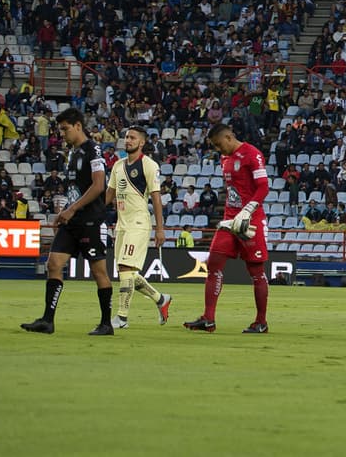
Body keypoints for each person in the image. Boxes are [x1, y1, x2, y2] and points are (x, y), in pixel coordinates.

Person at [21, 108, 114, 336]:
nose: (62, 134)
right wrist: (63, 212)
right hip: (72, 220)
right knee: (53, 264)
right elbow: (75, 189)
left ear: (78, 126)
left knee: (99, 272)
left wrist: (71, 209)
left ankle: (106, 324)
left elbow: (98, 185)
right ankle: (47, 320)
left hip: (90, 220)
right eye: (60, 129)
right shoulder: (73, 153)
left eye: (65, 129)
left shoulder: (93, 149)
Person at [183, 124, 271, 334]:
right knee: (213, 264)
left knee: (256, 271)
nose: (218, 150)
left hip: (251, 221)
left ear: (229, 137)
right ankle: (208, 319)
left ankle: (261, 322)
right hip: (229, 221)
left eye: (219, 144)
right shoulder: (224, 159)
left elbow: (263, 186)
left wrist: (248, 210)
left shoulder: (252, 154)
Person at [104, 127, 172, 329]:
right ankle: (161, 299)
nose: (128, 140)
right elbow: (108, 196)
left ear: (141, 142)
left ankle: (122, 318)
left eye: (132, 138)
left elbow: (157, 199)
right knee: (128, 273)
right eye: (126, 137)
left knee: (125, 268)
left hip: (139, 223)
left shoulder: (149, 165)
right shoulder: (117, 166)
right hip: (122, 225)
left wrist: (160, 229)